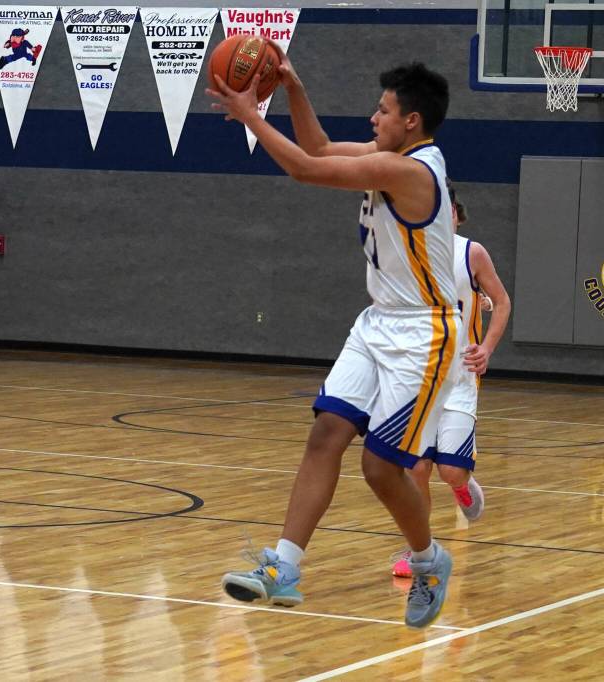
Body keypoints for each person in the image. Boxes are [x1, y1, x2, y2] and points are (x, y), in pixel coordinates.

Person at [209, 54, 490, 628]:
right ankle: (284, 567)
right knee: (325, 434)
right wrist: (293, 89)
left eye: (383, 110)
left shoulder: (411, 172)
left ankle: (429, 559)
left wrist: (249, 117)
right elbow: (315, 147)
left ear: (410, 121)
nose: (372, 117)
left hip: (424, 333)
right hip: (378, 321)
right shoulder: (392, 156)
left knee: (380, 469)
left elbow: (304, 171)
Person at [391, 180, 512, 579]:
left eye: (448, 208)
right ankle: (418, 550)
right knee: (416, 471)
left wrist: (487, 349)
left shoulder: (471, 253)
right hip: (420, 379)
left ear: (457, 215)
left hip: (460, 377)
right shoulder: (408, 253)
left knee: (450, 471)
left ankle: (464, 486)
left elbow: (503, 301)